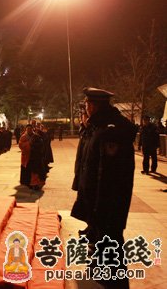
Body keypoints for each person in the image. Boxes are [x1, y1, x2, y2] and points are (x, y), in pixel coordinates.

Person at [71, 87, 136, 289]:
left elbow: (108, 174)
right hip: (96, 200)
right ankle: (101, 274)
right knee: (100, 242)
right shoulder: (97, 128)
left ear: (95, 105)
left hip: (107, 202)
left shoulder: (111, 131)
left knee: (110, 241)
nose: (86, 108)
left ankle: (113, 282)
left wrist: (100, 205)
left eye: (88, 104)